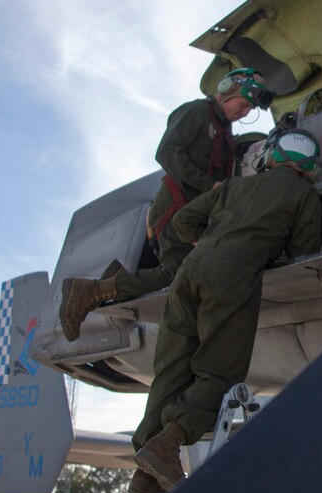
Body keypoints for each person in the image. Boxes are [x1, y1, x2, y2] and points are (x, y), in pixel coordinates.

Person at [128, 129, 322, 493]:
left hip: (189, 272)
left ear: (271, 158)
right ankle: (169, 442)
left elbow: (183, 220)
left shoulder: (234, 187)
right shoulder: (304, 194)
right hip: (232, 277)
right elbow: (304, 249)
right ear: (309, 167)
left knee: (170, 372)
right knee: (220, 370)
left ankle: (145, 472)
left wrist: (213, 243)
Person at [59, 67, 269, 341]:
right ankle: (89, 291)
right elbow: (167, 152)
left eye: (249, 109)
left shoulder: (224, 130)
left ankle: (115, 280)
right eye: (243, 105)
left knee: (187, 271)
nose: (244, 112)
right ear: (227, 91)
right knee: (176, 274)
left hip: (193, 213)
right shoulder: (197, 112)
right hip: (175, 208)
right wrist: (210, 186)